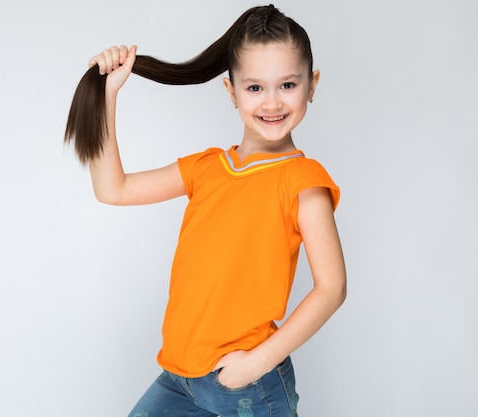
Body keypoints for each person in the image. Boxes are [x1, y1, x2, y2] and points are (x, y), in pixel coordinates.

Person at [65, 4, 346, 416]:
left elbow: (331, 288)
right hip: (180, 377)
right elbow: (114, 189)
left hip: (247, 385)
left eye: (287, 84)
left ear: (312, 84)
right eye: (254, 88)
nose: (272, 102)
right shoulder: (206, 167)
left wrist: (256, 363)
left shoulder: (303, 181)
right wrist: (108, 93)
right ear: (230, 91)